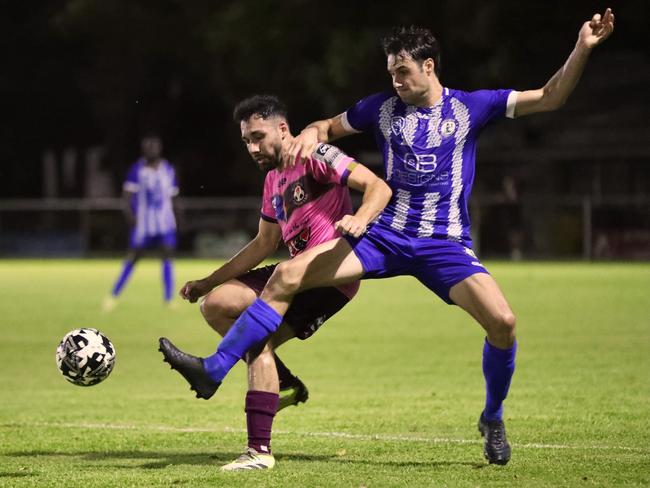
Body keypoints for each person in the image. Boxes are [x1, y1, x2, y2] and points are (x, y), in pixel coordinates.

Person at [159, 10, 614, 466]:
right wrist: (310, 135)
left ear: (429, 66)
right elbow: (326, 126)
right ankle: (215, 369)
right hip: (385, 234)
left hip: (444, 243)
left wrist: (582, 47)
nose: (395, 80)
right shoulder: (380, 108)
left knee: (504, 323)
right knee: (289, 272)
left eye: (403, 70)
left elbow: (551, 97)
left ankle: (492, 417)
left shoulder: (473, 106)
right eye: (391, 71)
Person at [159, 95, 392, 471]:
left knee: (255, 338)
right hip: (290, 272)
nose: (252, 148)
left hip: (328, 277)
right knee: (217, 306)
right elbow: (264, 244)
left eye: (257, 136)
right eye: (246, 141)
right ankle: (280, 382)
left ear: (283, 129)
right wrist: (207, 282)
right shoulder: (272, 181)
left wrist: (360, 219)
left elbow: (377, 187)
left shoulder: (317, 154)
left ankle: (258, 450)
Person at [103, 135, 179, 310]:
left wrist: (179, 219)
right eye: (148, 147)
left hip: (165, 224)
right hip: (143, 226)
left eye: (154, 147)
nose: (151, 150)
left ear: (160, 149)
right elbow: (126, 197)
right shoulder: (136, 169)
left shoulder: (168, 169)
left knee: (167, 258)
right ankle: (113, 295)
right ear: (143, 150)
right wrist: (131, 218)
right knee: (132, 258)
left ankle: (168, 299)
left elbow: (174, 197)